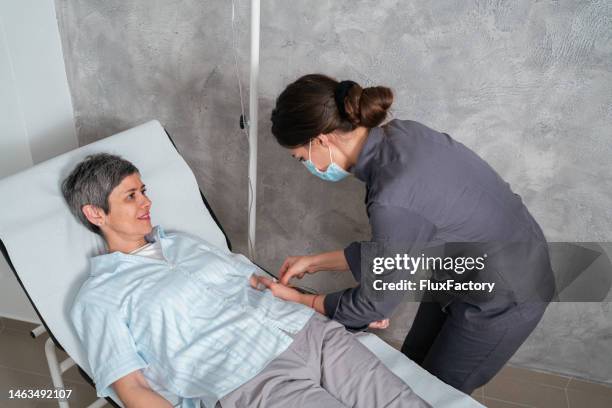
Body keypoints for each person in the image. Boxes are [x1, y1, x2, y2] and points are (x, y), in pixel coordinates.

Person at [63, 153, 430, 408]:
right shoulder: (99, 298)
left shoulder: (184, 242)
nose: (146, 202)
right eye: (131, 196)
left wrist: (346, 311)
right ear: (96, 213)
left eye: (144, 191)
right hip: (249, 380)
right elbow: (131, 387)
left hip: (310, 334)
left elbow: (263, 284)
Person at [267, 74, 556, 394]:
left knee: (432, 394)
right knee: (413, 370)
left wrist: (302, 300)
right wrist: (318, 262)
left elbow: (374, 303)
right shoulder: (404, 134)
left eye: (302, 159)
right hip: (470, 264)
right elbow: (405, 243)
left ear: (321, 140)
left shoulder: (392, 195)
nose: (306, 165)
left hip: (509, 292)